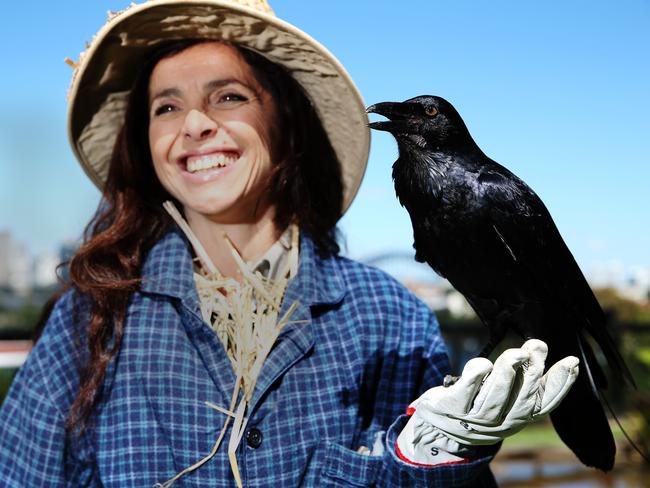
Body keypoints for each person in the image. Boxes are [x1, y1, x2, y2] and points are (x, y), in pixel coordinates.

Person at [0, 1, 578, 486]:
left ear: (287, 127)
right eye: (166, 106)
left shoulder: (387, 316)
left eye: (228, 97)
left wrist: (434, 461)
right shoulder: (94, 314)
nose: (194, 123)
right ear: (147, 146)